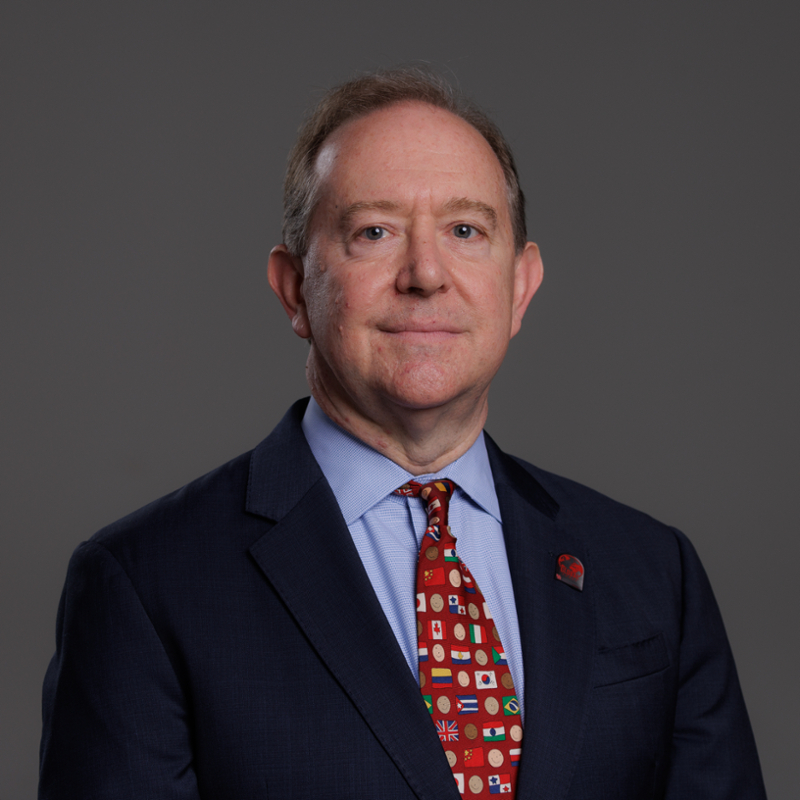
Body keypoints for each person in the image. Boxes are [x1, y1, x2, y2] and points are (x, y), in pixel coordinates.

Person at [39, 68, 767, 799]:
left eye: (465, 230)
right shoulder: (144, 585)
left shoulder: (653, 571)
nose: (425, 273)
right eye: (374, 231)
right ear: (295, 288)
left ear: (520, 287)